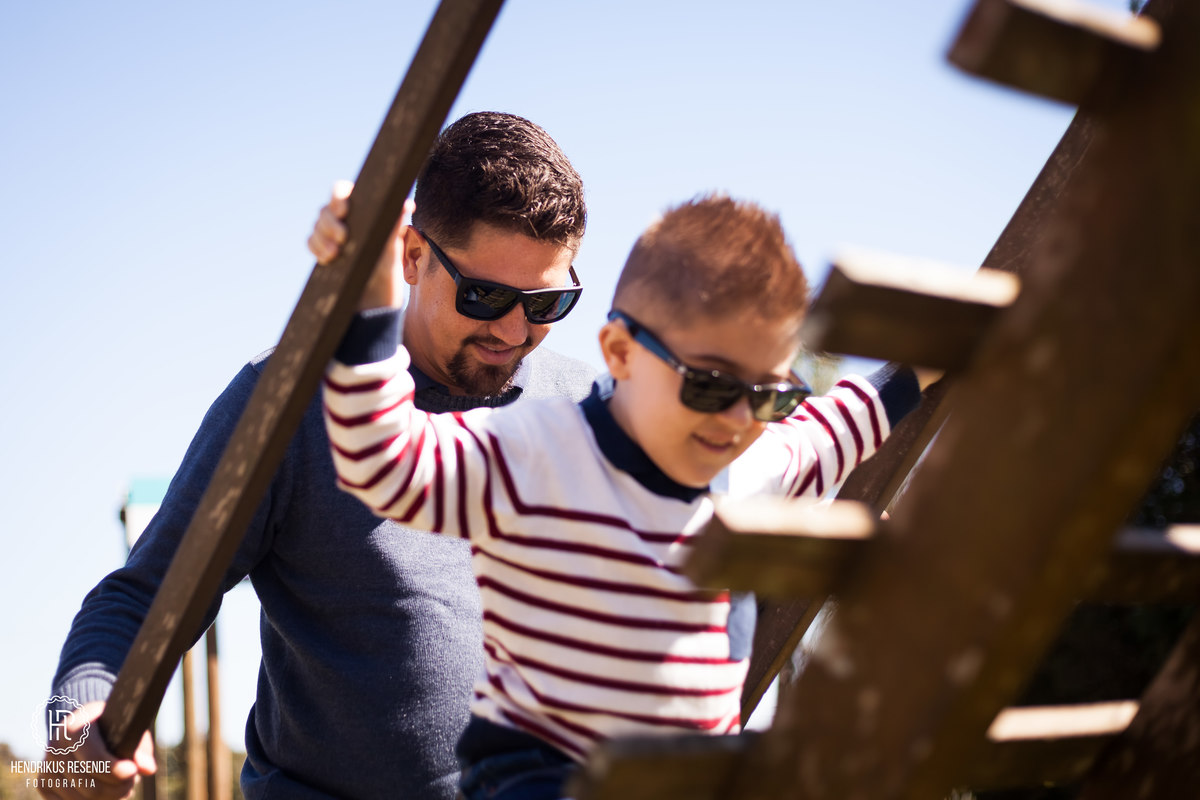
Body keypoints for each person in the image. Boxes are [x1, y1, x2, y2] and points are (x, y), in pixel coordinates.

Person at [44, 111, 596, 800]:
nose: (514, 331)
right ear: (413, 256)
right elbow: (144, 596)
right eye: (486, 296)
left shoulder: (592, 410)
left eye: (546, 303)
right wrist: (81, 720)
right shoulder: (290, 402)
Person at [321, 194, 933, 800]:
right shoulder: (536, 452)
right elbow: (382, 460)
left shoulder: (748, 463)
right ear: (620, 353)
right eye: (711, 386)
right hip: (545, 776)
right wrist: (370, 300)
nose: (739, 419)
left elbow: (847, 419)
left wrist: (935, 360)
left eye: (770, 395)